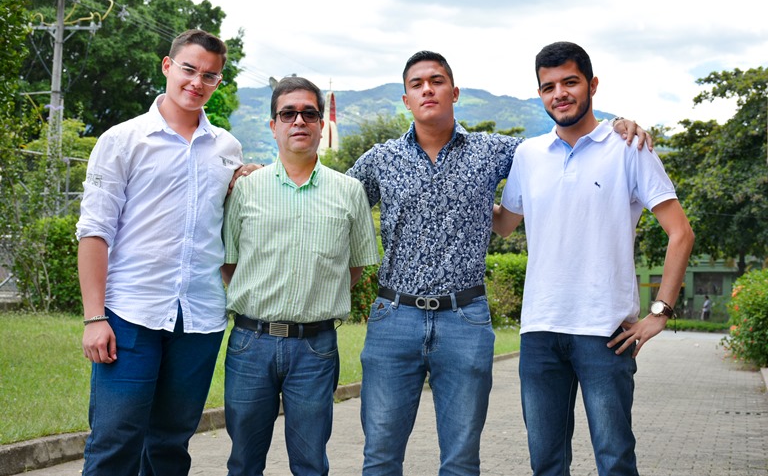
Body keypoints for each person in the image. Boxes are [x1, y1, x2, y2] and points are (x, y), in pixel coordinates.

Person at [347, 49, 651, 476]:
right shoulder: (381, 159)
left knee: (461, 461)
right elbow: (331, 203)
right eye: (416, 85)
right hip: (393, 316)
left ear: (454, 92)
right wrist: (258, 174)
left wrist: (619, 124)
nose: (427, 90)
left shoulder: (500, 152)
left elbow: (567, 142)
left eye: (436, 81)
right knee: (379, 456)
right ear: (406, 100)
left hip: (464, 320)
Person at [494, 41, 695, 476]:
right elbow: (504, 224)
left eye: (570, 82)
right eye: (548, 87)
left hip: (606, 331)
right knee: (546, 463)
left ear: (592, 85)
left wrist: (660, 312)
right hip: (540, 329)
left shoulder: (628, 147)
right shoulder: (528, 155)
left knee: (615, 459)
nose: (559, 94)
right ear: (540, 94)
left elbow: (681, 233)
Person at [76, 29, 244, 475]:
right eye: (189, 69)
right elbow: (94, 231)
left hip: (200, 318)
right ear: (168, 67)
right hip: (131, 314)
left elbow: (228, 226)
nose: (197, 82)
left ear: (217, 82)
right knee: (115, 441)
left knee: (171, 445)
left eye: (210, 75)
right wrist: (95, 318)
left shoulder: (227, 148)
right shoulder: (122, 140)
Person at [221, 76, 379, 476]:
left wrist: (315, 296)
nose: (299, 121)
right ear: (273, 124)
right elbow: (228, 260)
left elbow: (357, 263)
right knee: (243, 462)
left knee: (310, 462)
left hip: (315, 347)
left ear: (321, 124)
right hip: (249, 344)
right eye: (287, 113)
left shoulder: (349, 191)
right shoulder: (246, 189)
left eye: (309, 113)